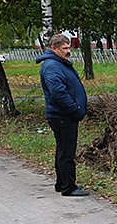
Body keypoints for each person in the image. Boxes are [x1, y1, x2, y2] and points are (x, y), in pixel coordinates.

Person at [37, 34, 89, 197]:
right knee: (67, 152)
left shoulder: (60, 63)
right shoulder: (52, 66)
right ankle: (68, 187)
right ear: (54, 49)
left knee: (62, 150)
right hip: (62, 115)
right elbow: (58, 94)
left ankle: (62, 183)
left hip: (63, 115)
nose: (68, 51)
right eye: (64, 48)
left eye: (69, 48)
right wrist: (75, 110)